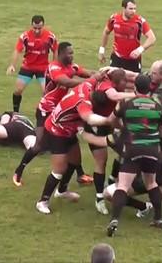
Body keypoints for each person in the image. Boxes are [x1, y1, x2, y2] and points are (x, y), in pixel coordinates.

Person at [12, 42, 92, 186]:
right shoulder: (54, 67)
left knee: (70, 139)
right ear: (61, 54)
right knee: (39, 145)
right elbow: (66, 82)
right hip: (46, 110)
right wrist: (89, 82)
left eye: (73, 53)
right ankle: (18, 171)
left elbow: (89, 73)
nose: (72, 56)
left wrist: (102, 74)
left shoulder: (72, 67)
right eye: (69, 53)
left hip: (60, 111)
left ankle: (80, 174)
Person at [35, 76, 112, 215]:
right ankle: (43, 201)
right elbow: (89, 118)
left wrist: (104, 73)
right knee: (59, 169)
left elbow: (95, 77)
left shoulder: (86, 86)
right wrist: (108, 121)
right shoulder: (84, 103)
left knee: (75, 161)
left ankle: (62, 191)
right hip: (57, 131)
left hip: (68, 129)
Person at [106, 74, 162, 237]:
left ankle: (115, 220)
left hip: (132, 149)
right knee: (151, 183)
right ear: (150, 88)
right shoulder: (157, 106)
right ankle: (158, 218)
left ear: (134, 88)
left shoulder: (126, 103)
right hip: (152, 149)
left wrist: (124, 127)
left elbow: (111, 120)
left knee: (123, 186)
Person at [83, 69, 135, 215]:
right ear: (114, 82)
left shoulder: (117, 86)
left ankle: (112, 179)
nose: (126, 83)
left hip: (109, 123)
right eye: (123, 81)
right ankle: (99, 198)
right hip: (96, 126)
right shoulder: (108, 88)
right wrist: (136, 95)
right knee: (101, 161)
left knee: (123, 152)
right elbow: (114, 96)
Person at [6, 15, 58, 112]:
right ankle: (15, 112)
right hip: (28, 67)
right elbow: (17, 50)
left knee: (46, 92)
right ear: (31, 25)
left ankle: (45, 112)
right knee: (18, 91)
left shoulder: (50, 37)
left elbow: (55, 50)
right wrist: (12, 65)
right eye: (35, 28)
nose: (37, 31)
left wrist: (54, 66)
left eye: (39, 28)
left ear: (43, 26)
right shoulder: (25, 36)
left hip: (43, 68)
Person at [99, 0, 156, 73]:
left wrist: (139, 50)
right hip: (117, 58)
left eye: (135, 9)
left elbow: (152, 38)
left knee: (133, 82)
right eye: (130, 9)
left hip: (133, 60)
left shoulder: (139, 21)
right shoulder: (114, 19)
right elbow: (106, 32)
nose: (133, 11)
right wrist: (101, 50)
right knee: (114, 82)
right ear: (124, 8)